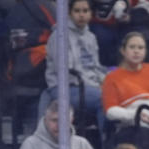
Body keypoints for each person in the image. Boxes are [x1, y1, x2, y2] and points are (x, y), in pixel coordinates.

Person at [38, 0, 106, 134]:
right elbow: (65, 72)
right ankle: (107, 144)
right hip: (65, 87)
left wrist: (105, 80)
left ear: (91, 14)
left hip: (89, 86)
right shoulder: (59, 36)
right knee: (104, 98)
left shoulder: (91, 37)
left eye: (85, 11)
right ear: (69, 14)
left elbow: (95, 67)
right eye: (77, 11)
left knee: (117, 93)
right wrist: (95, 85)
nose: (81, 15)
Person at [102, 32, 149, 129]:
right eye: (132, 47)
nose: (136, 51)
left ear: (145, 51)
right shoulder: (112, 77)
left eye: (140, 48)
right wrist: (135, 114)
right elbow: (110, 111)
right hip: (136, 123)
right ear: (123, 50)